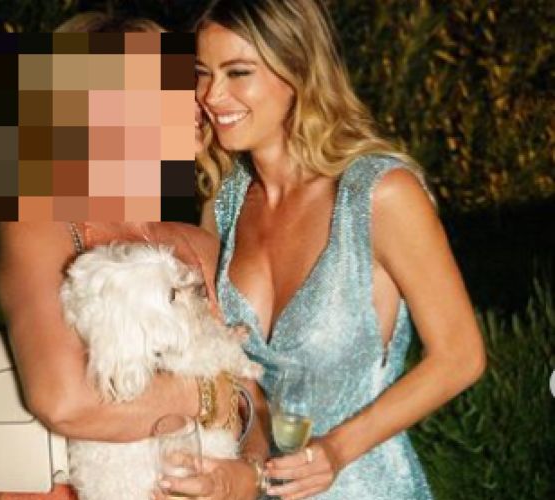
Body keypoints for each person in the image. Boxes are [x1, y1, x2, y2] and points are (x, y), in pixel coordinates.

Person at [189, 0, 488, 498]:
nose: (212, 95)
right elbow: (226, 370)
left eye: (238, 72)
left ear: (299, 72)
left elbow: (461, 356)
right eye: (202, 73)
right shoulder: (223, 202)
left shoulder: (380, 194)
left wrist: (336, 450)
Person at [0, 11, 266, 500]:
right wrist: (211, 394)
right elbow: (64, 401)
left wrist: (244, 476)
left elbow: (257, 409)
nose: (196, 100)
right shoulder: (38, 226)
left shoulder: (200, 244)